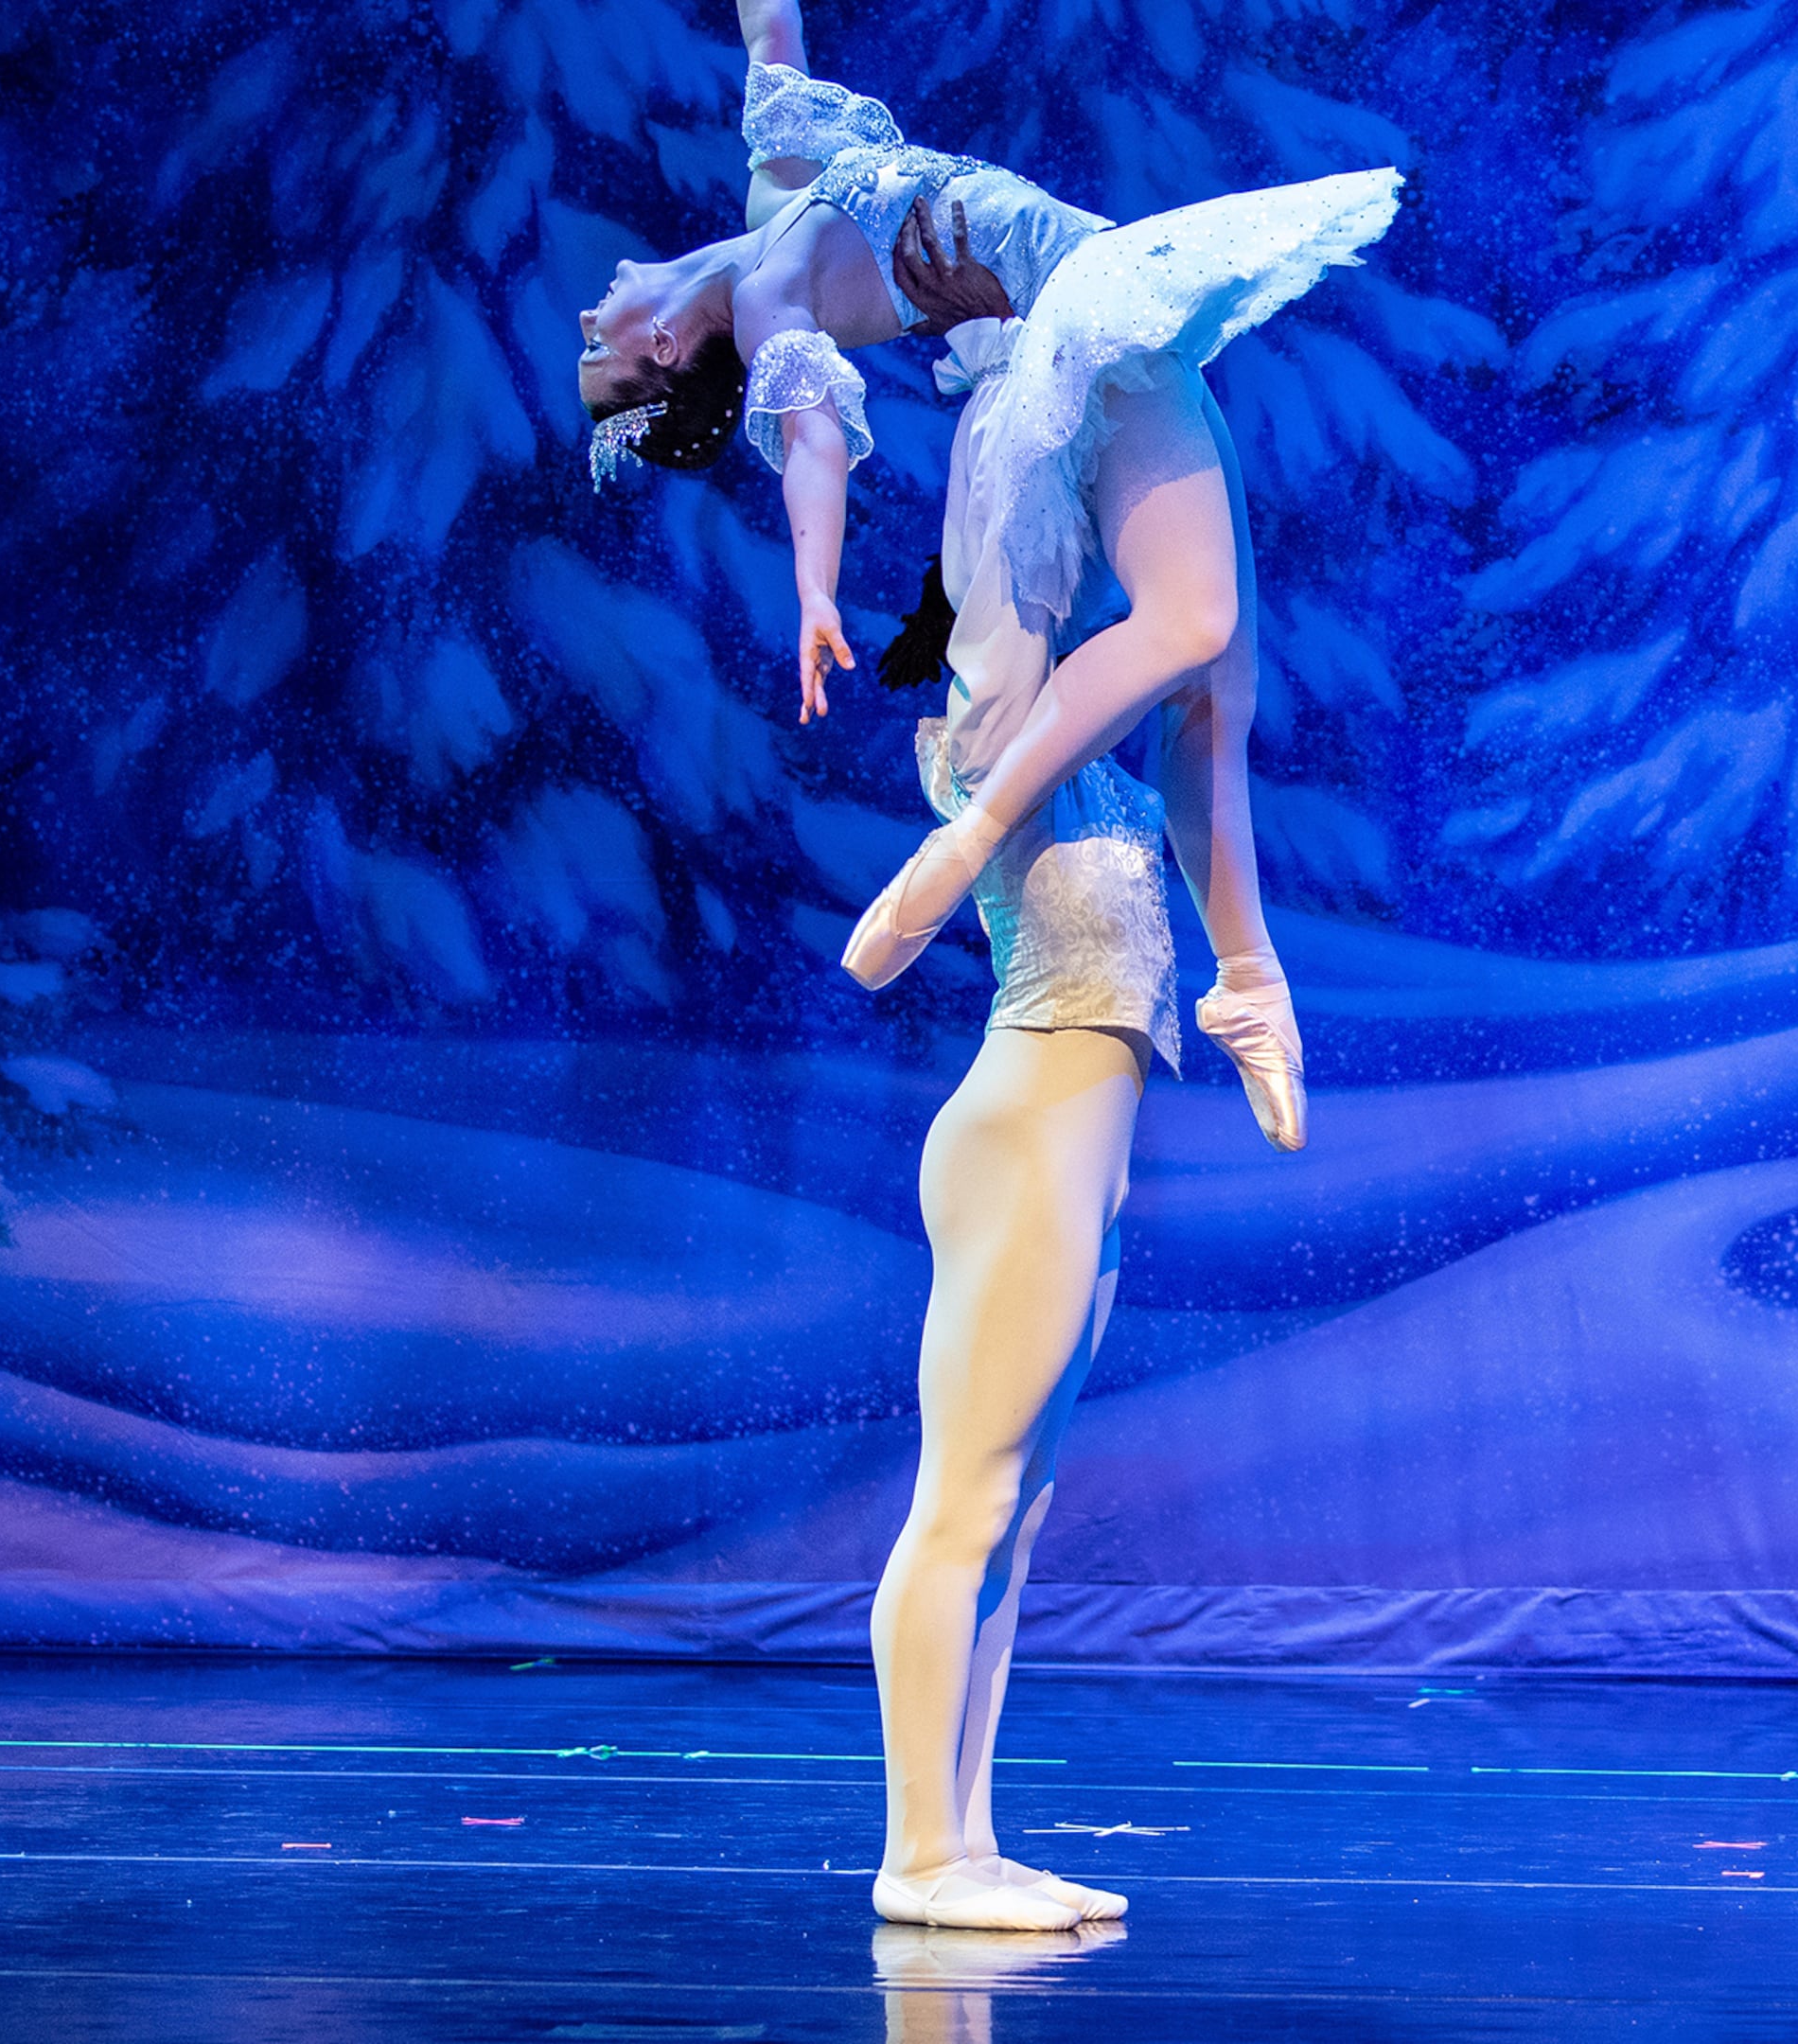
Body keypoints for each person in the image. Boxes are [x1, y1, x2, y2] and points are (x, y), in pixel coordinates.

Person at [576, 0, 1389, 1931]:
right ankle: (923, 1856)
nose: (602, 300)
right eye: (612, 338)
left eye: (601, 311)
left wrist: (1240, 960)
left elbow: (1203, 721)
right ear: (669, 358)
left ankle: (958, 1844)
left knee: (1221, 660)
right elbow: (816, 468)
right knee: (1186, 627)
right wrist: (832, 640)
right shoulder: (774, 338)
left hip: (1048, 340)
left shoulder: (779, 175)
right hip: (1033, 1076)